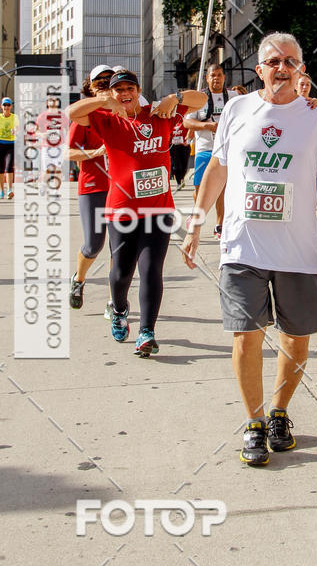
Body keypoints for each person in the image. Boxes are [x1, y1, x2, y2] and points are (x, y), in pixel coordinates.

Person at [182, 32, 317, 466]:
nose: (282, 68)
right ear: (259, 69)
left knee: (296, 338)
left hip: (298, 251)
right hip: (242, 247)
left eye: (290, 61)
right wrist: (195, 225)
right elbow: (217, 169)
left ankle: (279, 413)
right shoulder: (237, 109)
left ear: (301, 70)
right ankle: (254, 422)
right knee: (245, 335)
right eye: (273, 61)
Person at [66, 70, 207, 357]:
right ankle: (119, 309)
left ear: (139, 89)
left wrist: (174, 97)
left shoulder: (160, 113)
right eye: (119, 89)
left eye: (130, 87)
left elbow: (201, 98)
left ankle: (147, 332)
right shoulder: (106, 119)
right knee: (121, 272)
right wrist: (105, 101)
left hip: (158, 211)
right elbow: (72, 112)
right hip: (122, 211)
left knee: (151, 270)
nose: (125, 93)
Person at [67, 66, 114, 314]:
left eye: (109, 80)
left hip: (120, 187)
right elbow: (69, 152)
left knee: (119, 246)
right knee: (94, 245)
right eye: (100, 81)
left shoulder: (121, 111)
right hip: (92, 186)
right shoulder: (84, 115)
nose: (105, 84)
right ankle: (79, 279)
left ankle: (113, 300)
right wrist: (94, 153)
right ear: (90, 86)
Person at [184, 64, 238, 240]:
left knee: (223, 189)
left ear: (224, 77)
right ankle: (197, 213)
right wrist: (207, 126)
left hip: (226, 150)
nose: (216, 78)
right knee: (200, 189)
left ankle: (220, 225)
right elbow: (187, 123)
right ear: (207, 78)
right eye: (213, 75)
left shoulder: (233, 97)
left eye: (219, 75)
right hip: (204, 149)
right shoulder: (199, 98)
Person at [36, 93, 69, 192]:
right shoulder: (42, 116)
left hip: (59, 146)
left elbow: (68, 129)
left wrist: (67, 142)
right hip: (47, 147)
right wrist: (42, 135)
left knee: (58, 168)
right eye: (51, 100)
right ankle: (43, 184)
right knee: (48, 169)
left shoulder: (62, 115)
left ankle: (55, 191)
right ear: (47, 102)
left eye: (55, 100)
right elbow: (36, 131)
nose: (53, 101)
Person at [0, 97, 19, 199]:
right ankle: (1, 190)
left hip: (11, 144)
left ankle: (10, 189)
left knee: (9, 166)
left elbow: (17, 128)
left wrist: (15, 131)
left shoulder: (14, 117)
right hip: (0, 144)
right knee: (1, 169)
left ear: (11, 106)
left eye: (8, 105)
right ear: (1, 106)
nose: (6, 107)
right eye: (4, 105)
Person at [170, 116, 191, 191]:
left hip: (184, 146)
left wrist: (187, 140)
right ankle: (178, 182)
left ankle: (182, 178)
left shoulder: (185, 120)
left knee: (184, 166)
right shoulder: (171, 121)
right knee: (176, 166)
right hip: (174, 147)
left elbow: (191, 131)